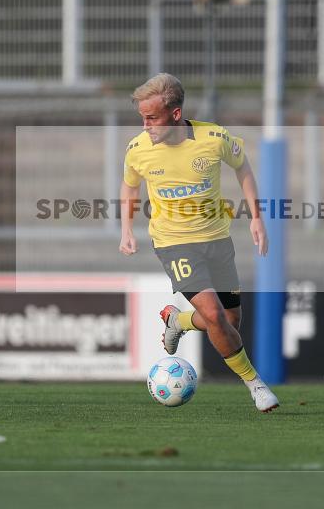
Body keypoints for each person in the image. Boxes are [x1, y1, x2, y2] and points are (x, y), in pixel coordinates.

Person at [118, 73, 279, 413]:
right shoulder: (138, 149)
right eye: (142, 118)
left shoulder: (213, 137)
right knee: (217, 319)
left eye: (152, 118)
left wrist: (256, 217)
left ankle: (179, 321)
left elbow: (243, 167)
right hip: (174, 244)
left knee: (230, 322)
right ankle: (256, 384)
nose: (145, 126)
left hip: (217, 240)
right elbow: (130, 186)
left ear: (175, 115)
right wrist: (126, 229)